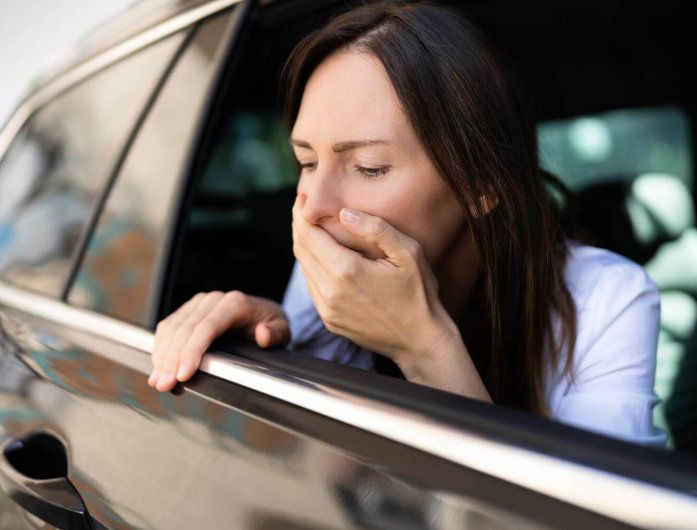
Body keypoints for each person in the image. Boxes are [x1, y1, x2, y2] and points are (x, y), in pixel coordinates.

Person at [148, 1, 668, 448]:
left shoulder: (606, 301)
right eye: (307, 162)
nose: (310, 208)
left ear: (480, 183)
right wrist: (276, 339)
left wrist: (424, 347)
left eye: (368, 167)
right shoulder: (331, 263)